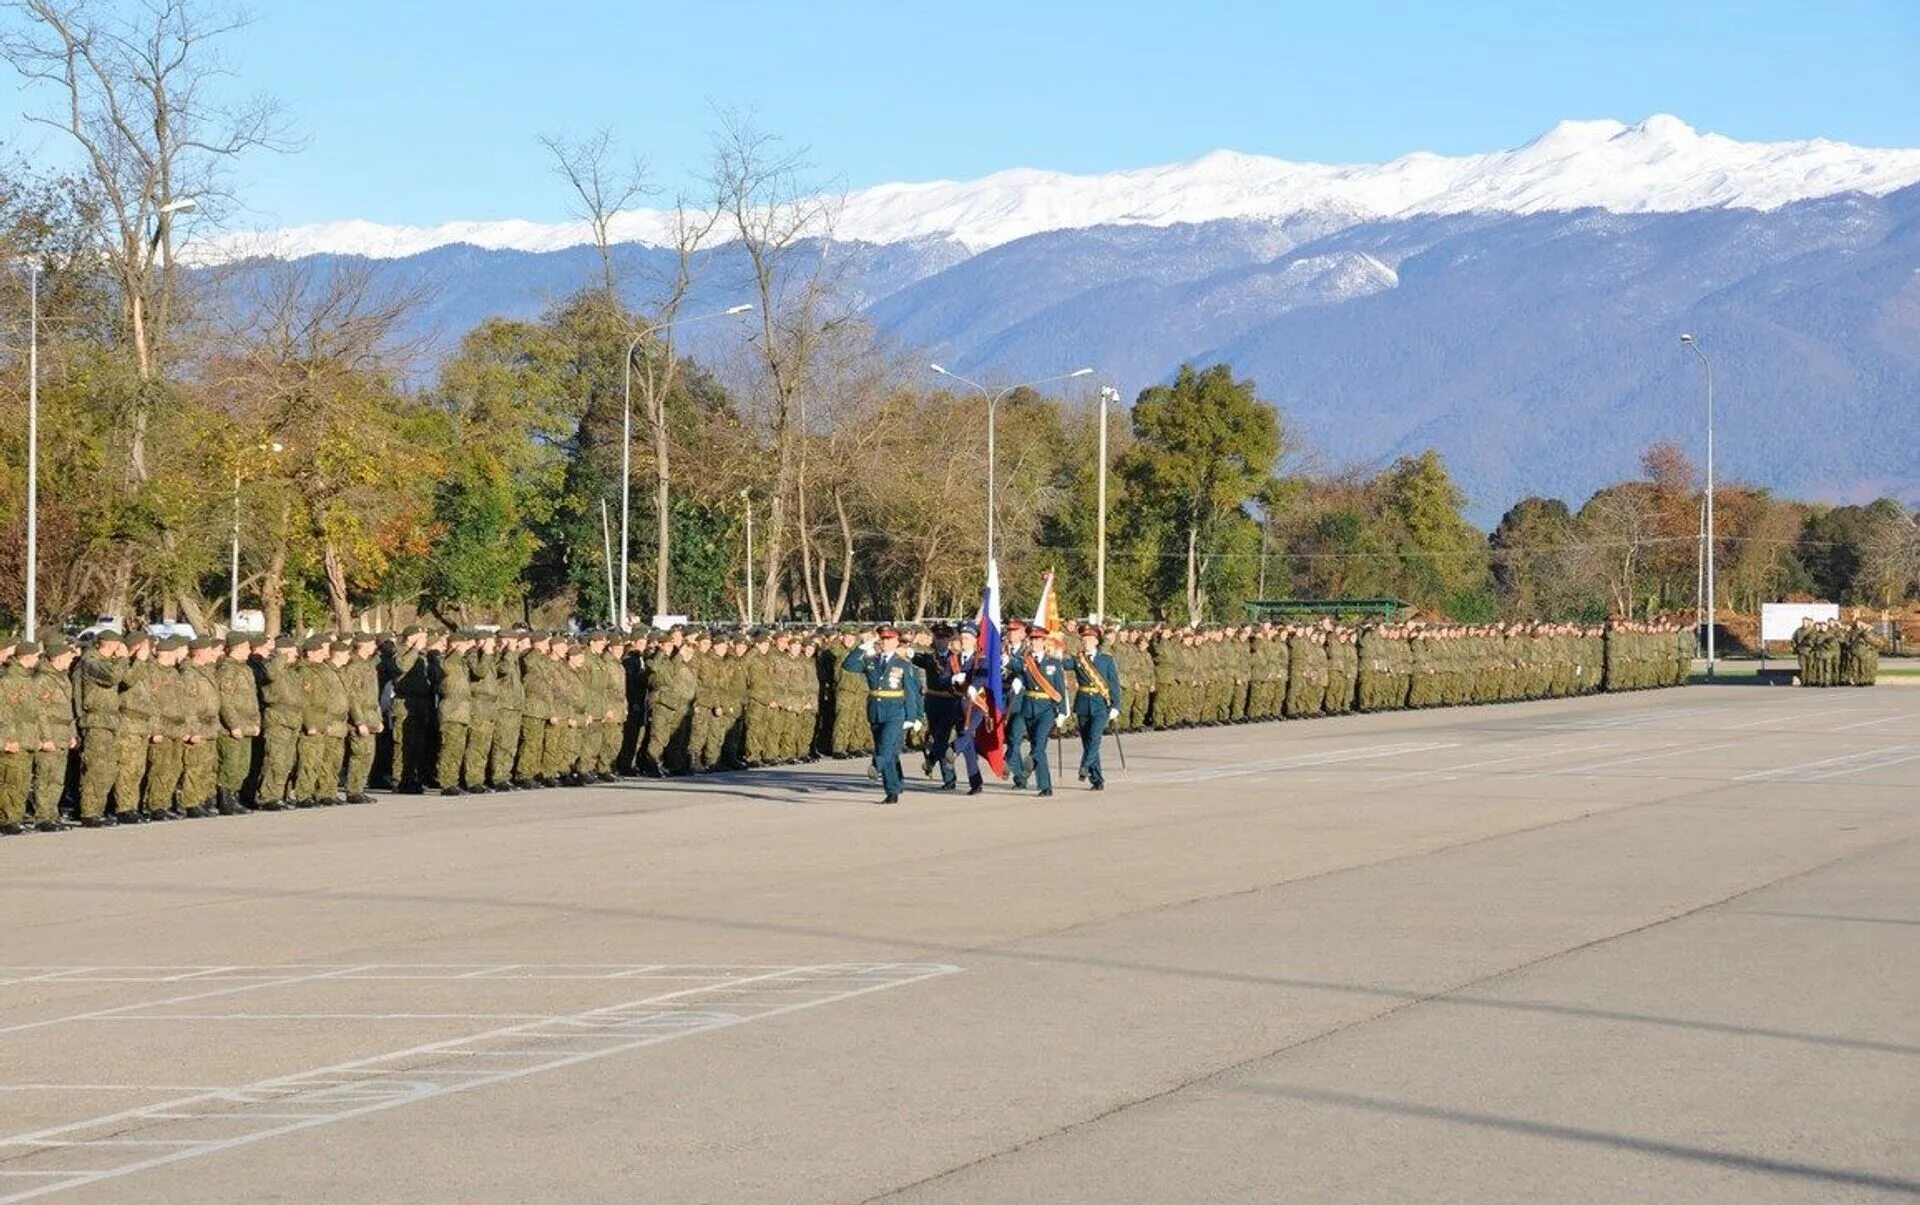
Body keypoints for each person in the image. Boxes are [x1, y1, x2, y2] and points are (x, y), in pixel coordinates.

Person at [840, 624, 925, 805]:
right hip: (876, 710)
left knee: (885, 747)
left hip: (896, 712)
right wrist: (863, 646)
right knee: (890, 752)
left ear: (896, 641)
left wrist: (915, 717)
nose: (885, 642)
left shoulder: (903, 665)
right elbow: (848, 666)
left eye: (889, 639)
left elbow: (912, 691)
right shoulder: (872, 661)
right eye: (883, 639)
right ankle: (893, 789)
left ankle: (876, 766)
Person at [1013, 625, 1069, 797]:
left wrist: (1062, 712)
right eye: (1032, 639)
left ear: (1044, 642)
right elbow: (1021, 675)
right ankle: (1028, 776)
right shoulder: (1025, 661)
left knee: (1038, 746)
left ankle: (1045, 785)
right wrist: (1019, 681)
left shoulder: (1053, 663)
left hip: (1046, 710)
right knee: (1033, 744)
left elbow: (1060, 688)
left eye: (1038, 639)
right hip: (1028, 707)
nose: (1035, 642)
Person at [914, 622, 965, 791]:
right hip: (933, 702)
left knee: (942, 738)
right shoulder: (929, 658)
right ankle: (942, 771)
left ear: (949, 640)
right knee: (938, 739)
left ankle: (939, 769)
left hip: (950, 702)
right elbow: (911, 656)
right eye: (938, 638)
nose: (941, 641)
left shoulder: (957, 659)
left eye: (944, 638)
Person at [1071, 624, 1122, 792]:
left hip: (1101, 705)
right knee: (1087, 742)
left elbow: (1114, 684)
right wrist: (1054, 654)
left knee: (1094, 738)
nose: (1086, 642)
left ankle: (1084, 766)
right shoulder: (1078, 659)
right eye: (1084, 639)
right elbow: (1062, 665)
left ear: (1096, 640)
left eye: (1089, 639)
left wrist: (1115, 705)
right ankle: (1097, 779)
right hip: (1083, 704)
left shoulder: (1106, 659)